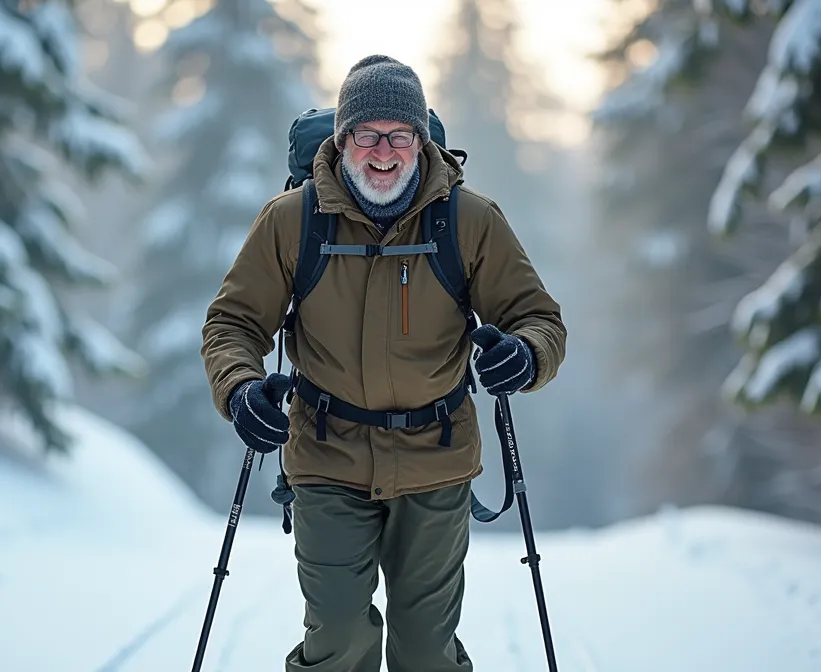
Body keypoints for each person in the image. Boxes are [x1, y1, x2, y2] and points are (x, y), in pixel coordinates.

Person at [201, 54, 567, 672]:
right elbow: (232, 324)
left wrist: (525, 355)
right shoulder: (293, 221)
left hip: (437, 458)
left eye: (400, 136)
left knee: (426, 652)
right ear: (342, 140)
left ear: (421, 143)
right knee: (338, 641)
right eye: (367, 135)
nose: (384, 152)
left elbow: (540, 318)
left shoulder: (468, 219)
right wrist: (241, 391)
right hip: (326, 456)